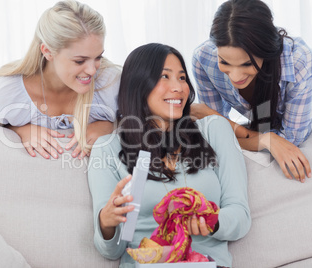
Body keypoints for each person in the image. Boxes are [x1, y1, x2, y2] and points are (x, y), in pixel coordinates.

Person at [88, 43, 251, 268]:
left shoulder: (214, 130)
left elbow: (240, 216)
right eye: (165, 76)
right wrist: (106, 222)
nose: (178, 88)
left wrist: (211, 220)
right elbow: (111, 250)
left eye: (182, 78)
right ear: (138, 85)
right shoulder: (106, 148)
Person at [191, 0, 312, 182]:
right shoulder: (203, 59)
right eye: (225, 62)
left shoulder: (299, 63)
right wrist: (267, 140)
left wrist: (211, 115)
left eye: (247, 63)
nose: (235, 76)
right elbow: (217, 134)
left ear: (265, 53)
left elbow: (290, 139)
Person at [0, 0, 121, 160]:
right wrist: (17, 130)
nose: (92, 70)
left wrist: (110, 126)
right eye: (80, 61)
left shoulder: (109, 83)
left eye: (98, 57)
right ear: (48, 51)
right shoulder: (5, 92)